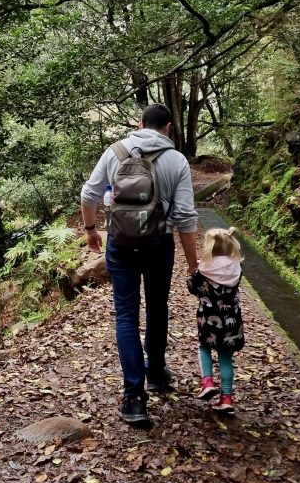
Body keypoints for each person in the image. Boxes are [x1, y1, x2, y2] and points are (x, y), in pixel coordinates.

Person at [80, 103, 198, 428]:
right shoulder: (177, 160)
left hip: (121, 242)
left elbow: (88, 194)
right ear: (169, 127)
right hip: (160, 243)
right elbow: (186, 216)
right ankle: (156, 372)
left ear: (139, 123)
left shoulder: (115, 152)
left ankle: (134, 399)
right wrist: (192, 264)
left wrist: (92, 231)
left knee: (126, 314)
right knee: (158, 306)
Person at [187, 226, 245, 416]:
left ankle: (207, 382)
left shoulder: (204, 269)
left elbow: (193, 287)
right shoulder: (236, 267)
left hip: (207, 318)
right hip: (232, 319)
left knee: (204, 347)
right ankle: (226, 398)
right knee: (226, 356)